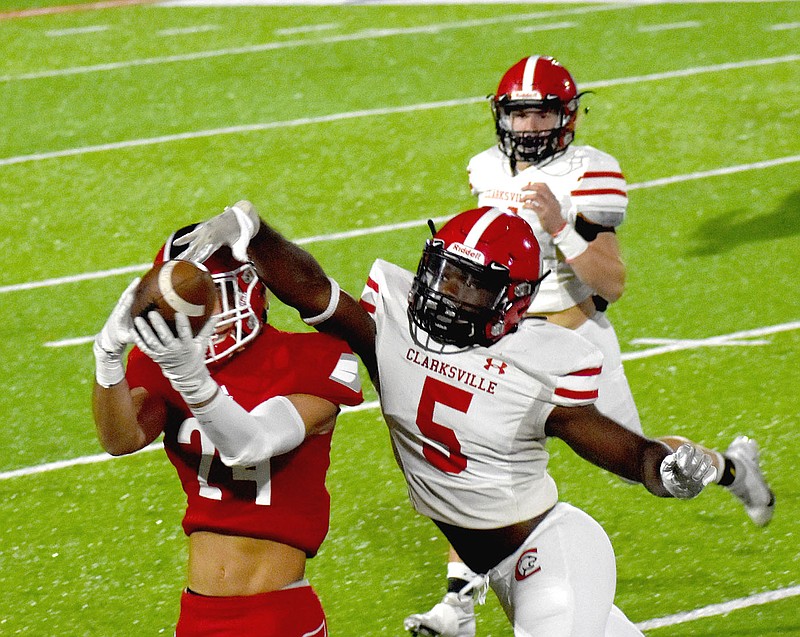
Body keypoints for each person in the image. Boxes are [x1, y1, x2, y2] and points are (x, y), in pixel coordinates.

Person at [176, 201, 722, 636]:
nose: (449, 293)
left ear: (516, 300)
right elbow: (312, 291)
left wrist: (665, 467)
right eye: (445, 272)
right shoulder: (388, 327)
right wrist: (253, 230)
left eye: (474, 284)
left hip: (547, 548)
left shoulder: (537, 364)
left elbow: (623, 450)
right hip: (495, 568)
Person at [405, 55, 776, 636]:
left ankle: (732, 470)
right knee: (477, 458)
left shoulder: (590, 172)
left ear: (568, 116)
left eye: (540, 112)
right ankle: (458, 603)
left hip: (573, 341)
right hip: (508, 341)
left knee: (639, 462)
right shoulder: (483, 167)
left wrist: (560, 224)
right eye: (518, 112)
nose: (527, 126)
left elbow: (612, 283)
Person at [91, 227, 363, 637]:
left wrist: (192, 379)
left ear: (254, 290)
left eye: (216, 297)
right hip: (197, 612)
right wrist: (107, 357)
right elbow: (119, 439)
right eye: (196, 303)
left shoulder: (313, 357)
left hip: (277, 611)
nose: (210, 316)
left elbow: (252, 443)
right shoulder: (164, 367)